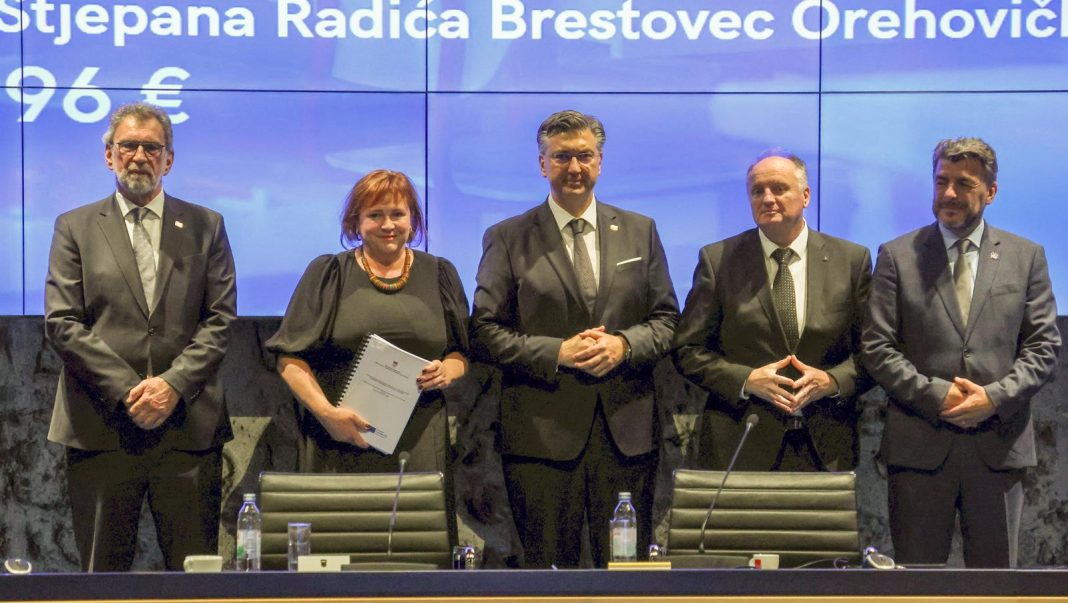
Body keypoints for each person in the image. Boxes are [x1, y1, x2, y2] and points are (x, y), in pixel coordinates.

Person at [470, 110, 679, 568]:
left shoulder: (641, 230)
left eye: (584, 156)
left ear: (600, 161)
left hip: (626, 435)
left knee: (626, 574)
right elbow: (483, 331)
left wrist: (624, 345)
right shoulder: (507, 237)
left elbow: (667, 320)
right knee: (548, 578)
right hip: (541, 439)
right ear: (542, 164)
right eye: (562, 156)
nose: (575, 167)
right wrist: (557, 352)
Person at [44, 102, 237, 571]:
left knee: (195, 579)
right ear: (108, 155)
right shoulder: (74, 226)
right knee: (102, 582)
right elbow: (62, 322)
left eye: (151, 147)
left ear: (168, 160)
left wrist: (171, 386)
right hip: (101, 425)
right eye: (127, 145)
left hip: (187, 427)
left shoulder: (207, 225)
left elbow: (220, 319)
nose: (138, 156)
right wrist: (131, 391)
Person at [862, 137, 1060, 567]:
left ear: (991, 191)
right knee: (918, 585)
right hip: (919, 448)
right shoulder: (897, 256)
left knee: (994, 586)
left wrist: (993, 398)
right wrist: (939, 396)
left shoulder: (1026, 257)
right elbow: (877, 347)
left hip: (997, 448)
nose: (949, 193)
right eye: (941, 181)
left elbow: (1044, 347)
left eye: (964, 184)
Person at [265, 170, 469, 513]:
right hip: (339, 437)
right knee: (341, 538)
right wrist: (328, 415)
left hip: (419, 441)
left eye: (397, 214)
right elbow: (289, 358)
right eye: (375, 215)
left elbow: (461, 352)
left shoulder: (440, 274)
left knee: (417, 540)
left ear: (413, 220)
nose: (388, 224)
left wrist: (448, 371)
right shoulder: (328, 273)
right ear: (356, 222)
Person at [673, 151, 872, 472]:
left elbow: (872, 351)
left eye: (779, 188)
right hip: (741, 441)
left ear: (805, 195)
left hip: (825, 446)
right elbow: (687, 350)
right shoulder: (718, 260)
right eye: (757, 191)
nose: (767, 199)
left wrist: (832, 381)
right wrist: (746, 379)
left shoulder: (851, 260)